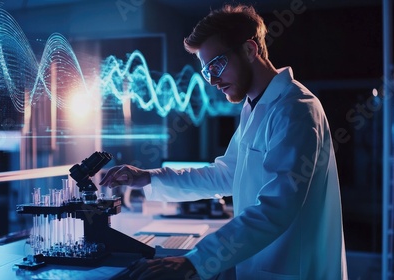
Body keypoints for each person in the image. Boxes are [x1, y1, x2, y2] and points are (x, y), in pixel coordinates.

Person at [100, 4, 348, 280]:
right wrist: (148, 177)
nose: (213, 80)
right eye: (207, 71)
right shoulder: (255, 107)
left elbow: (277, 207)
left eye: (217, 64)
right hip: (261, 265)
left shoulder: (296, 109)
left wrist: (196, 261)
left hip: (293, 268)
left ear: (250, 50)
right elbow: (226, 174)